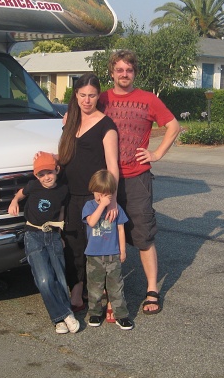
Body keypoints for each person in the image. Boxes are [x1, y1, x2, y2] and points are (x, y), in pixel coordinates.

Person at [99, 49, 180, 315]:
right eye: (119, 70)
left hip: (137, 178)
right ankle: (108, 287)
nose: (124, 74)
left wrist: (156, 153)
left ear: (134, 73)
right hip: (107, 178)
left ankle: (152, 289)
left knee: (143, 235)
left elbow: (173, 126)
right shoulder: (101, 99)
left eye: (129, 70)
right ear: (112, 73)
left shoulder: (148, 99)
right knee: (106, 233)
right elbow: (81, 118)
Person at [57, 73, 119, 313]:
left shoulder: (106, 125)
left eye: (92, 96)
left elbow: (112, 166)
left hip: (95, 198)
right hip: (70, 194)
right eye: (82, 95)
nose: (86, 100)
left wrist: (111, 200)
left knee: (97, 245)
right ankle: (77, 289)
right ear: (76, 95)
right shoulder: (69, 121)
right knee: (73, 244)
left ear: (98, 96)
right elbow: (66, 155)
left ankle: (101, 290)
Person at [8, 152, 80, 334]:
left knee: (60, 278)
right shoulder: (33, 186)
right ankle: (65, 315)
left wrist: (60, 235)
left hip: (53, 235)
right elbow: (21, 193)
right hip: (33, 235)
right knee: (44, 279)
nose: (46, 177)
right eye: (41, 174)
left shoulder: (63, 190)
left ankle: (60, 321)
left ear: (57, 170)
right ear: (36, 176)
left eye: (49, 172)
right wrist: (14, 201)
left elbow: (61, 212)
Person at [82, 169, 134, 330]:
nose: (102, 197)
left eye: (106, 194)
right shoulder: (89, 206)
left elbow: (120, 229)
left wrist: (122, 250)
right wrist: (102, 205)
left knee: (116, 287)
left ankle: (121, 315)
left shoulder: (116, 209)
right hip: (94, 255)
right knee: (95, 287)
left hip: (113, 254)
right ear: (93, 190)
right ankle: (95, 313)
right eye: (99, 193)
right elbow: (91, 222)